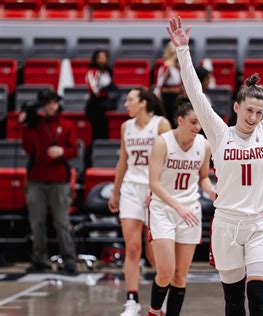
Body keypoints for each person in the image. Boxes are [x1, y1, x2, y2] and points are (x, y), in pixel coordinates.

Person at [168, 16, 263, 316]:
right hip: (226, 224)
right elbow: (195, 94)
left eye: (259, 112)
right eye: (250, 110)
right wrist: (182, 51)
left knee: (259, 299)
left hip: (260, 225)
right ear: (237, 108)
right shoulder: (219, 132)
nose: (254, 117)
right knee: (233, 303)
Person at [147, 96, 215, 316]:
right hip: (163, 208)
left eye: (201, 122)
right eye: (194, 122)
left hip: (190, 212)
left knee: (180, 276)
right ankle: (154, 310)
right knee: (165, 272)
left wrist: (214, 193)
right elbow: (154, 183)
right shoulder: (162, 142)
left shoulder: (204, 145)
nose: (198, 126)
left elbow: (203, 177)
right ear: (180, 120)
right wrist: (177, 206)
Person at [108, 88, 171, 316]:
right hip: (131, 189)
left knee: (153, 251)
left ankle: (161, 296)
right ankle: (132, 301)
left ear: (143, 103)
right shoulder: (126, 127)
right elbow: (123, 162)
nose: (126, 104)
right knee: (132, 248)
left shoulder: (161, 124)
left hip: (154, 189)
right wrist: (115, 193)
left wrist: (159, 189)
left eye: (130, 100)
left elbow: (170, 161)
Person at [20, 89, 78, 274]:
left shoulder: (67, 125)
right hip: (36, 179)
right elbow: (28, 148)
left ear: (57, 103)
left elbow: (74, 150)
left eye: (52, 102)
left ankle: (69, 260)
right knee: (37, 222)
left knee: (62, 222)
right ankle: (39, 259)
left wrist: (63, 152)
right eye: (46, 103)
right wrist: (25, 126)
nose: (50, 106)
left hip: (59, 179)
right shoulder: (34, 125)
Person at [85, 49, 118, 140]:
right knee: (96, 132)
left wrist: (113, 93)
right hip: (95, 106)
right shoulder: (92, 72)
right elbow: (94, 90)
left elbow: (113, 87)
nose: (102, 60)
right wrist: (108, 94)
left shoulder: (108, 72)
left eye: (104, 57)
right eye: (100, 57)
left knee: (105, 132)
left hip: (105, 107)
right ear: (95, 59)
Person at [154, 41, 183, 127]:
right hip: (168, 99)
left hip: (177, 98)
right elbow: (158, 86)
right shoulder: (166, 66)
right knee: (171, 122)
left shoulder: (178, 67)